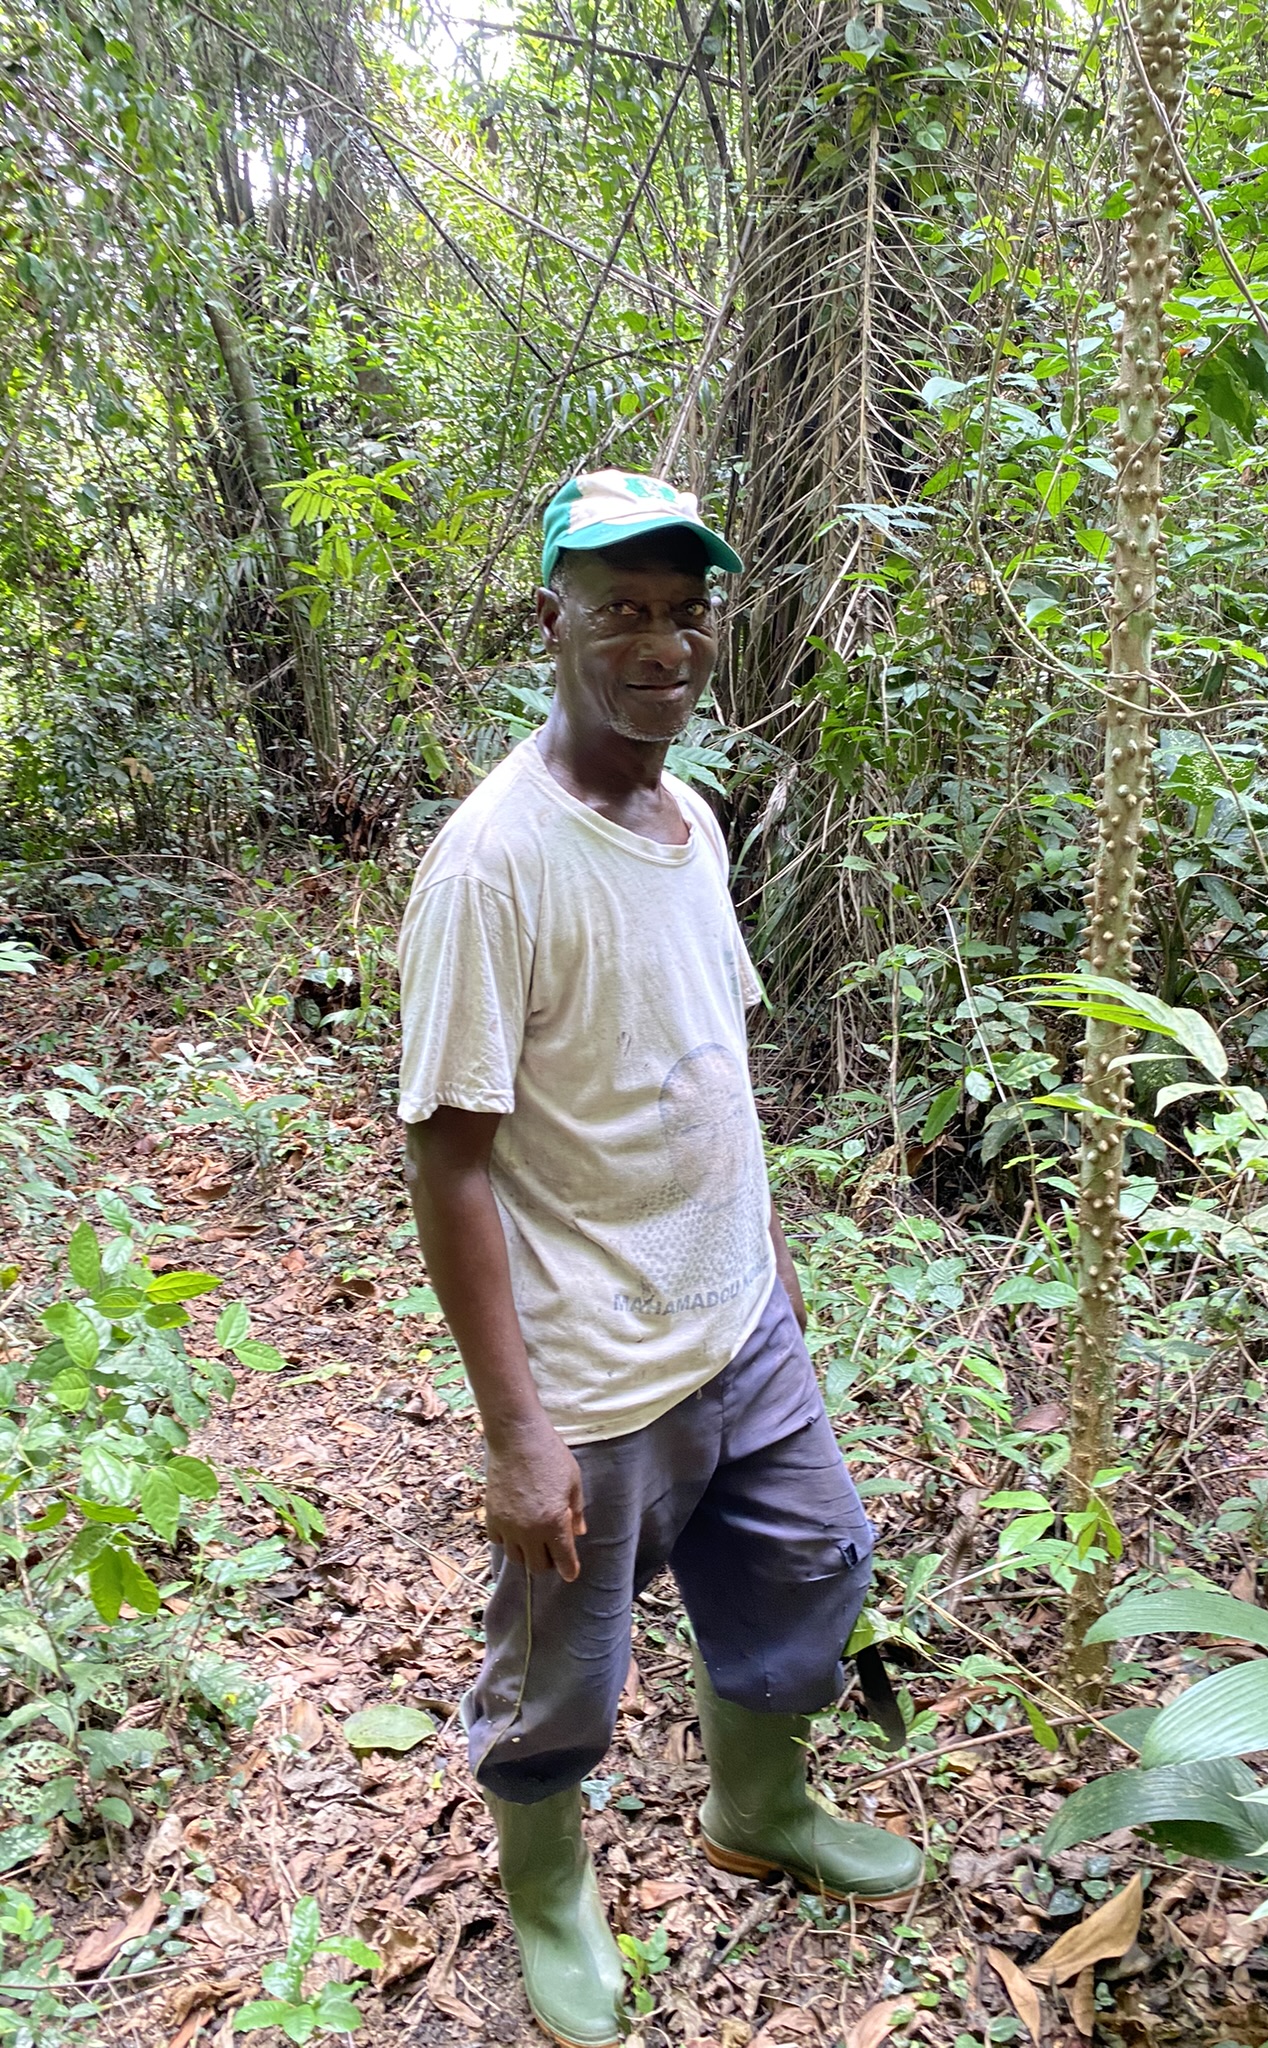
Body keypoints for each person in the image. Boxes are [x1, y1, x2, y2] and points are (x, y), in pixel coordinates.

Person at [397, 469, 921, 2048]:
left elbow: (708, 1070)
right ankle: (551, 1894)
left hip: (738, 1328)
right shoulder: (493, 865)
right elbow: (449, 1156)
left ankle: (762, 1808)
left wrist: (775, 1279)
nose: (661, 645)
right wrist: (515, 1426)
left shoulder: (684, 816)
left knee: (810, 1571)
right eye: (621, 609)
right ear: (548, 618)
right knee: (564, 1671)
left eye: (685, 613)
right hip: (597, 1374)